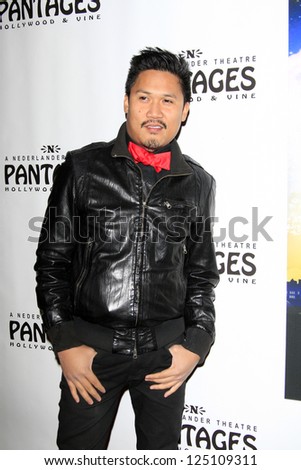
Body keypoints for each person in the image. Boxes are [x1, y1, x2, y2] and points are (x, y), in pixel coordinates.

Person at [34, 47, 219, 450]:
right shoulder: (82, 168)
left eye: (168, 100)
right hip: (93, 354)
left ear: (184, 109)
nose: (155, 110)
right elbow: (52, 262)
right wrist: (64, 339)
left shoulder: (199, 183)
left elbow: (202, 273)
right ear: (126, 102)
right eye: (144, 97)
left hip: (166, 358)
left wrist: (197, 343)